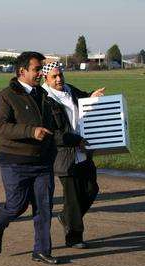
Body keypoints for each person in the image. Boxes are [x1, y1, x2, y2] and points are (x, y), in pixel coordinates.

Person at [0, 51, 63, 264]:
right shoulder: (6, 96)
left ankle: (41, 250)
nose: (41, 73)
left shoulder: (44, 95)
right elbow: (2, 127)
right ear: (22, 71)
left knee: (44, 207)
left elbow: (52, 129)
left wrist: (73, 139)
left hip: (42, 162)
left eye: (41, 68)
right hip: (15, 161)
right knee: (17, 205)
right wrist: (31, 131)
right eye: (37, 69)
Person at [42, 61, 103, 248]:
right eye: (54, 76)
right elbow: (52, 133)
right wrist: (75, 141)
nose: (59, 79)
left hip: (83, 153)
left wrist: (92, 95)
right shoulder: (44, 99)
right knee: (73, 198)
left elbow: (84, 99)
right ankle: (74, 237)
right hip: (63, 157)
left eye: (60, 75)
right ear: (46, 78)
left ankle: (65, 216)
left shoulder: (69, 89)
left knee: (92, 190)